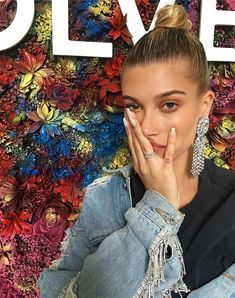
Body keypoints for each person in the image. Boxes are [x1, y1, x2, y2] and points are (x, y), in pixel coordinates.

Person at [38, 4, 235, 298]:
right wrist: (158, 206)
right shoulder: (104, 198)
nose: (148, 126)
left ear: (204, 106)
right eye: (134, 106)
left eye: (169, 105)